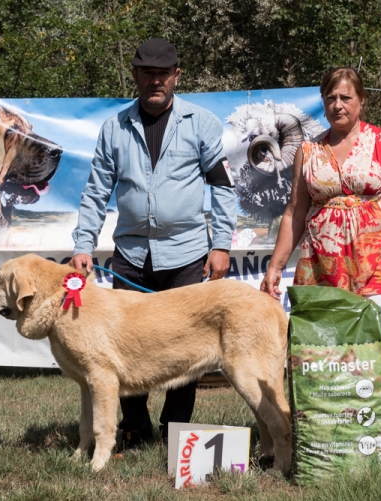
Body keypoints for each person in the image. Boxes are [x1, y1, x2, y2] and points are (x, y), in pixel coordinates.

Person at [71, 38, 237, 452]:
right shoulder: (115, 128)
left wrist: (221, 245)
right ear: (136, 76)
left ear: (177, 76)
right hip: (130, 256)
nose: (155, 81)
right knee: (127, 344)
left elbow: (222, 188)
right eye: (147, 73)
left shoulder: (201, 123)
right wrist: (82, 246)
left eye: (163, 74)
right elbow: (95, 194)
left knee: (186, 349)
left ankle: (176, 429)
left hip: (186, 254)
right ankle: (134, 426)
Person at [260, 67, 381, 360]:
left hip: (375, 262)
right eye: (330, 97)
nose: (337, 105)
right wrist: (275, 268)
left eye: (346, 97)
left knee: (364, 347)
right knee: (322, 351)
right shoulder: (308, 151)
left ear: (362, 100)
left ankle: (366, 404)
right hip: (320, 266)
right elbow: (295, 212)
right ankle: (322, 405)